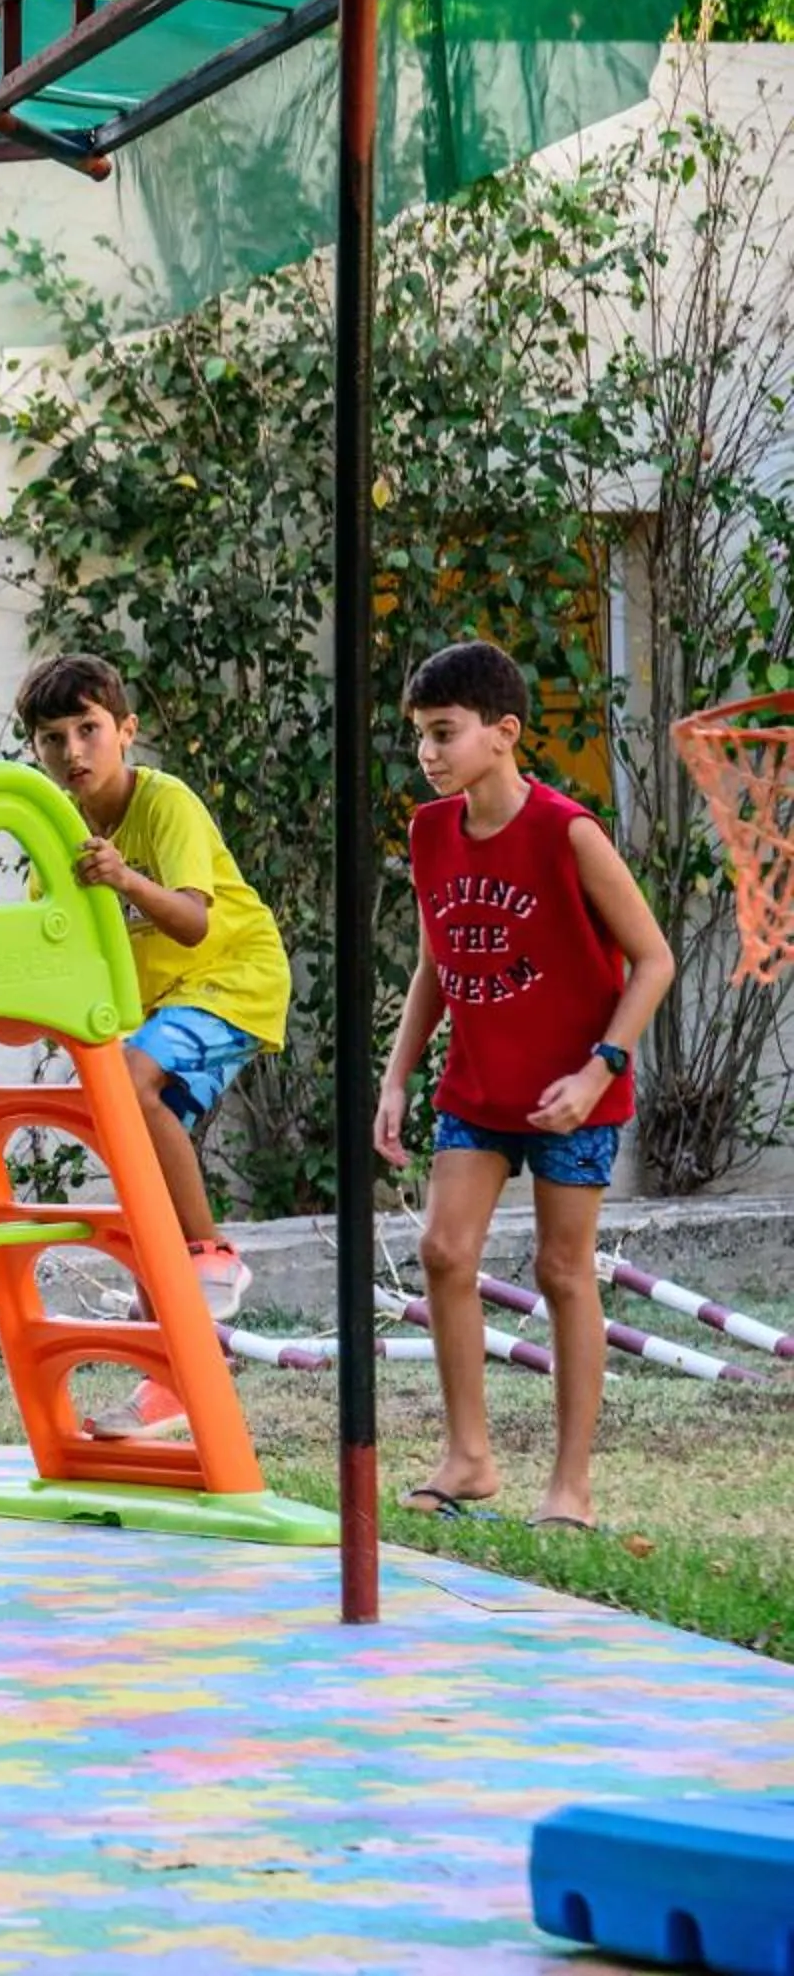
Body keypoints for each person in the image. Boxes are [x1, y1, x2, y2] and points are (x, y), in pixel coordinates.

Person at [380, 642, 672, 1533]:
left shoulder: (567, 832)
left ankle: (570, 1487)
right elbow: (434, 964)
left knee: (562, 1271)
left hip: (574, 1095)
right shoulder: (430, 832)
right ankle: (469, 1459)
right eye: (420, 736)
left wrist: (600, 1067)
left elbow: (654, 960)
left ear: (503, 733)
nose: (428, 753)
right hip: (477, 1089)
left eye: (444, 733)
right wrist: (396, 1076)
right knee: (443, 1253)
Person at [14, 654, 289, 1323]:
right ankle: (168, 1349)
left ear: (126, 730)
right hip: (163, 1005)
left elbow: (193, 924)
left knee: (131, 1078)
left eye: (88, 729)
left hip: (232, 977)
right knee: (138, 1161)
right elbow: (42, 942)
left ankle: (211, 1251)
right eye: (52, 738)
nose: (73, 751)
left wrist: (125, 878)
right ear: (35, 750)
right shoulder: (58, 833)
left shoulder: (165, 802)